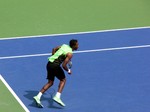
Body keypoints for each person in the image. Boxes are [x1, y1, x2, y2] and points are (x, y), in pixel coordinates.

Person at [33, 39, 79, 108]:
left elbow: (54, 49)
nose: (78, 46)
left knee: (50, 82)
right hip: (55, 65)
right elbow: (64, 65)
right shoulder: (70, 54)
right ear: (74, 46)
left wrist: (53, 57)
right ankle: (57, 96)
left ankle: (38, 96)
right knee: (63, 80)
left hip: (49, 64)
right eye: (77, 45)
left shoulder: (64, 46)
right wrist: (68, 70)